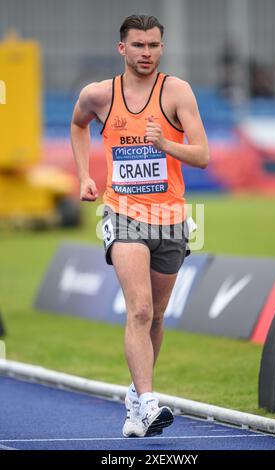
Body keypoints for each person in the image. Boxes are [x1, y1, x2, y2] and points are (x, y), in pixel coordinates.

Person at [71, 14, 209, 438]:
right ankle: (149, 403)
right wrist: (84, 174)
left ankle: (135, 398)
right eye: (138, 46)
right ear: (122, 49)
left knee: (158, 316)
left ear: (161, 48)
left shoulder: (176, 91)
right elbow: (78, 125)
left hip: (171, 219)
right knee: (141, 308)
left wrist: (165, 143)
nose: (146, 53)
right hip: (123, 212)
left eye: (153, 46)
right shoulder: (99, 95)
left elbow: (202, 154)